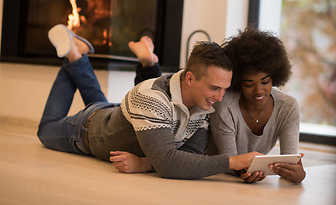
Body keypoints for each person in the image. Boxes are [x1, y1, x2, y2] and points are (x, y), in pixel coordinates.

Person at [37, 24, 260, 179]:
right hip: (86, 131)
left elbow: (191, 154)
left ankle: (79, 54)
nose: (220, 98)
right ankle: (74, 57)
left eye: (224, 89)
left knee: (109, 115)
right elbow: (169, 163)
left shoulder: (204, 104)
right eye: (214, 88)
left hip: (117, 119)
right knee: (45, 130)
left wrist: (145, 163)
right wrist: (232, 161)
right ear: (190, 78)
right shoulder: (150, 97)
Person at [209, 26, 306, 183]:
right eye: (249, 84)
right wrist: (241, 172)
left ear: (274, 76)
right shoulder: (225, 105)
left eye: (265, 81)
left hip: (245, 184)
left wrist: (297, 174)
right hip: (214, 177)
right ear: (238, 82)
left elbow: (289, 161)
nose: (259, 90)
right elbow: (229, 160)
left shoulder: (288, 107)